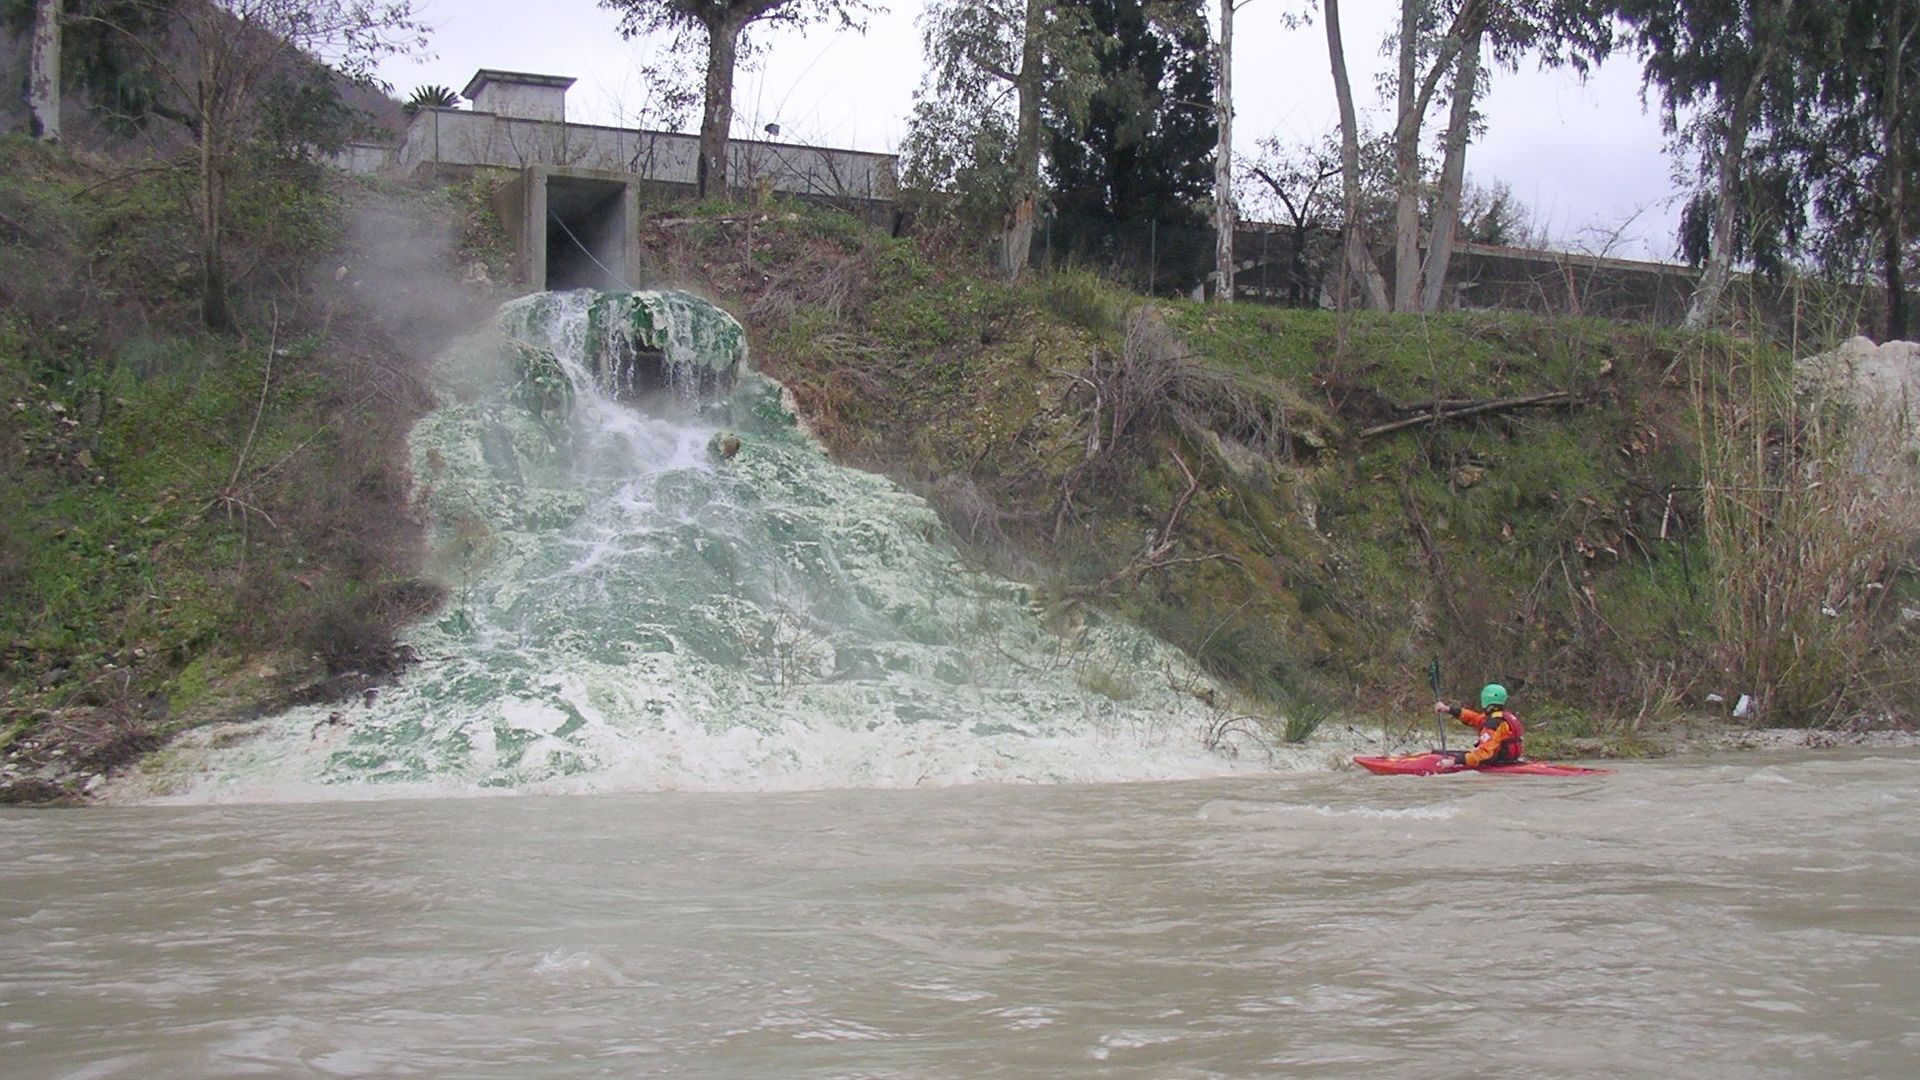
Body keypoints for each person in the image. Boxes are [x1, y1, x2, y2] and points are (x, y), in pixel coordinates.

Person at [1431, 683, 1525, 768]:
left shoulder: (1494, 725)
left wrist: (1454, 762)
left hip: (1494, 762)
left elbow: (1484, 754)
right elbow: (1473, 718)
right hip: (1507, 760)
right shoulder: (1503, 718)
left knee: (1442, 754)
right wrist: (1448, 709)